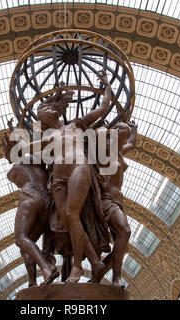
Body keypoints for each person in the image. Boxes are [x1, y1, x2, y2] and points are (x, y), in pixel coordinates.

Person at [27, 70, 112, 283]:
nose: (48, 110)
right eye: (44, 110)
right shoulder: (47, 138)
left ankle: (77, 266)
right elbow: (25, 148)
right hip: (56, 181)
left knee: (72, 214)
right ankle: (95, 262)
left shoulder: (75, 124)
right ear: (43, 120)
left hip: (79, 169)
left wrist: (107, 85)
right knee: (67, 218)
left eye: (48, 108)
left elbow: (103, 108)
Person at [2, 120, 59, 286]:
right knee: (26, 245)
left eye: (7, 152)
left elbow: (20, 145)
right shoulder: (39, 160)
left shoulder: (13, 172)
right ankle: (33, 283)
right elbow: (23, 143)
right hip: (47, 201)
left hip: (30, 197)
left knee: (20, 238)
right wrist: (13, 131)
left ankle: (46, 268)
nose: (6, 155)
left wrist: (14, 132)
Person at [96, 120, 136, 288]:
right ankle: (116, 278)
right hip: (106, 199)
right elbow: (97, 135)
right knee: (125, 231)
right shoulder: (104, 148)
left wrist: (134, 129)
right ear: (115, 134)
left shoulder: (118, 151)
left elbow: (132, 144)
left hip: (118, 200)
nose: (125, 139)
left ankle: (98, 274)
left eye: (126, 136)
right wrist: (104, 128)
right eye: (123, 135)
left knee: (123, 247)